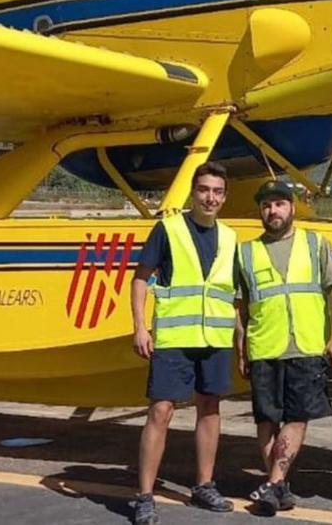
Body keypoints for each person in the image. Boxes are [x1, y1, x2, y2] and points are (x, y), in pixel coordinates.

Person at [130, 162, 238, 525]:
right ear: (194, 192)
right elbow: (140, 278)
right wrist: (140, 327)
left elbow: (231, 293)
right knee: (160, 411)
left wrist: (241, 338)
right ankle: (144, 495)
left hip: (215, 338)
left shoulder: (230, 237)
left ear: (224, 196)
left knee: (210, 408)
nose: (210, 197)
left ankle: (204, 485)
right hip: (175, 338)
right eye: (204, 189)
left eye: (217, 191)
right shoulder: (168, 229)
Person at [235, 180, 332, 516]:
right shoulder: (245, 252)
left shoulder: (316, 244)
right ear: (261, 211)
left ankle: (274, 481)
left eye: (280, 203)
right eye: (267, 205)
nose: (273, 211)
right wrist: (240, 348)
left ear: (292, 207)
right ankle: (277, 484)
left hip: (306, 346)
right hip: (264, 345)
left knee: (297, 417)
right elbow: (239, 306)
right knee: (266, 419)